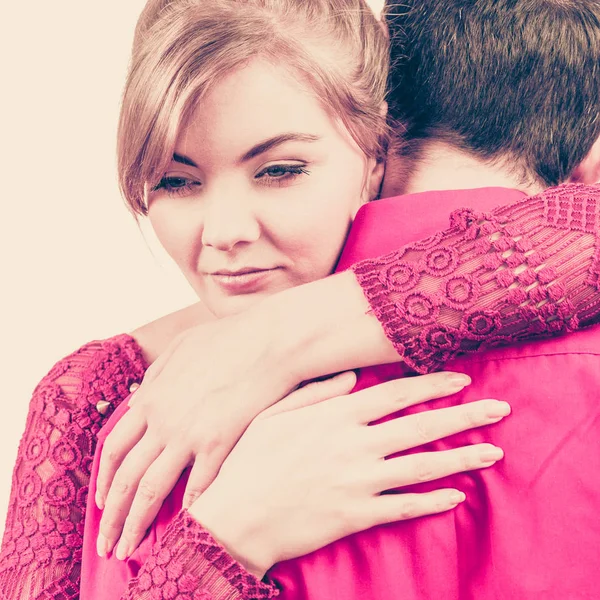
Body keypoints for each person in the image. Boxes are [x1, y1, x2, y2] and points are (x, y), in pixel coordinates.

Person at [0, 0, 598, 598]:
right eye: (175, 181)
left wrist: (273, 343)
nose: (222, 231)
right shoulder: (107, 411)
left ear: (378, 151)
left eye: (279, 170)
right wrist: (228, 538)